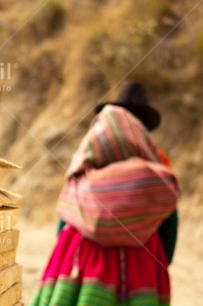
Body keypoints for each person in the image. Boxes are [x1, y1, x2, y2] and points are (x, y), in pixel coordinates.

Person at [30, 81, 179, 305]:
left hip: (84, 261)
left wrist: (68, 254)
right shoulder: (156, 175)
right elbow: (169, 228)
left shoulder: (85, 170)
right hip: (141, 263)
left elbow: (63, 226)